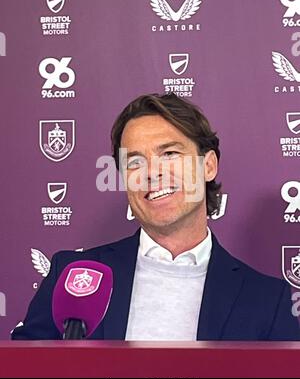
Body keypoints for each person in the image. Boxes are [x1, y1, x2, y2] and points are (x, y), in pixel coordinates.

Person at [12, 93, 300, 340]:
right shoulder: (74, 275)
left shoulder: (267, 299)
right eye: (135, 161)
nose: (152, 173)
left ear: (209, 166)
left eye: (170, 153)